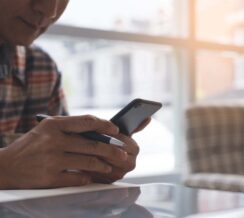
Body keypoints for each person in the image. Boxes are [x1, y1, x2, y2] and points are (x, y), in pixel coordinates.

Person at [0, 0, 150, 189]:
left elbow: (52, 172)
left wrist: (90, 165)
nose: (51, 10)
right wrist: (5, 169)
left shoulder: (40, 67)